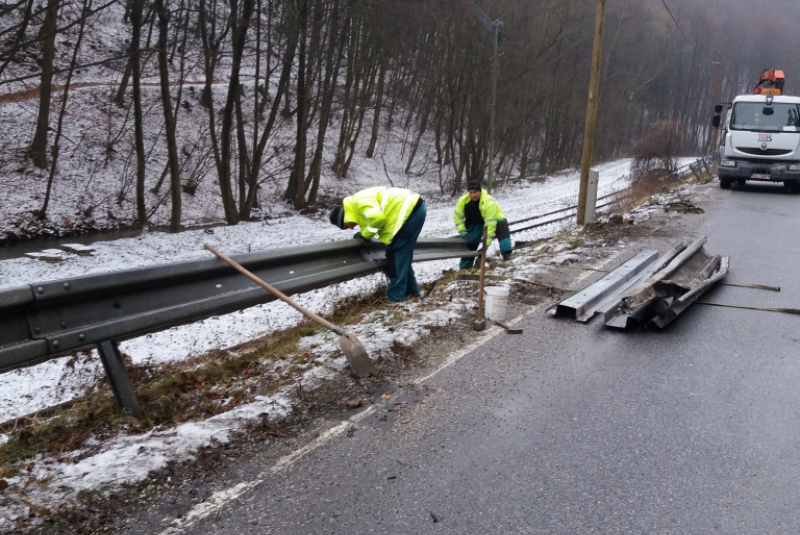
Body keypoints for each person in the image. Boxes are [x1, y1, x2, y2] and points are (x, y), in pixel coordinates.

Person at [329, 186, 426, 303]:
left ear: (345, 217)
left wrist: (364, 235)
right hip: (414, 209)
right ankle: (412, 293)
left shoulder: (358, 203)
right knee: (401, 257)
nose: (350, 228)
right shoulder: (357, 206)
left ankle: (396, 299)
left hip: (409, 212)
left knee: (395, 256)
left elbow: (377, 219)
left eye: (346, 225)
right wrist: (364, 233)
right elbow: (374, 220)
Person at [453, 180, 512, 270]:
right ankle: (465, 268)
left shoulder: (488, 202)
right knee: (470, 241)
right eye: (470, 192)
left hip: (494, 219)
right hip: (477, 222)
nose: (473, 195)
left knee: (502, 225)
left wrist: (485, 247)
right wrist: (462, 231)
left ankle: (506, 255)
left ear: (480, 191)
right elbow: (457, 217)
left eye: (475, 192)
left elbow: (490, 227)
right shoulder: (463, 201)